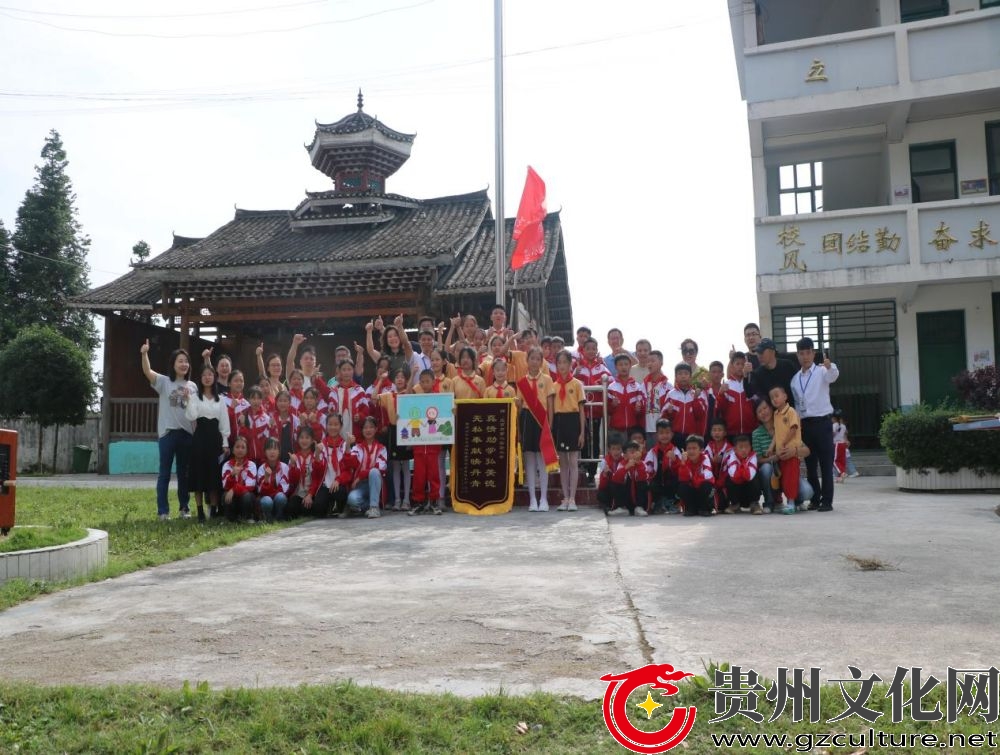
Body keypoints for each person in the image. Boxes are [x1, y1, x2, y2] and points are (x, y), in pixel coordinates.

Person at [140, 339, 197, 521]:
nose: (184, 364)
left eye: (186, 361)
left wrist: (189, 401)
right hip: (168, 434)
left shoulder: (193, 386)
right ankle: (163, 511)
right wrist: (144, 353)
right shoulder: (164, 382)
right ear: (173, 364)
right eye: (180, 361)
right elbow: (147, 372)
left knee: (184, 474)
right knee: (164, 473)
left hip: (186, 435)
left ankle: (184, 508)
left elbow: (195, 412)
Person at [790, 337, 839, 511]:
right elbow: (796, 404)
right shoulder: (795, 380)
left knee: (825, 463)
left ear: (813, 353)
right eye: (801, 353)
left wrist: (829, 365)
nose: (805, 357)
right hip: (806, 425)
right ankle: (815, 499)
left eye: (808, 353)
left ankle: (827, 501)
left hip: (823, 423)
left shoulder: (821, 371)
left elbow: (833, 376)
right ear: (797, 355)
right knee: (810, 464)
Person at [185, 364, 231, 522]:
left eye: (210, 375)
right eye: (204, 375)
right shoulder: (195, 397)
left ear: (214, 378)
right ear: (201, 378)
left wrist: (225, 442)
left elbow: (224, 423)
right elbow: (191, 416)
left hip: (215, 440)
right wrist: (187, 400)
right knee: (198, 475)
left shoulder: (221, 400)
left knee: (213, 476)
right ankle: (199, 512)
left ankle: (213, 509)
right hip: (199, 439)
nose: (207, 377)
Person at [752, 400, 813, 514]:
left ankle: (796, 501)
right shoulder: (756, 434)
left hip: (789, 470)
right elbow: (758, 459)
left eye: (765, 408)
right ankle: (770, 502)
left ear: (771, 408)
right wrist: (773, 458)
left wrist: (794, 451)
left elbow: (807, 451)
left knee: (807, 491)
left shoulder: (785, 427)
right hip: (772, 473)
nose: (763, 412)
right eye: (759, 411)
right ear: (757, 416)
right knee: (765, 468)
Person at [516, 346, 557, 511]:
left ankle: (544, 498)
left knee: (542, 461)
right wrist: (519, 430)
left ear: (542, 362)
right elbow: (519, 408)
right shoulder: (521, 382)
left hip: (542, 421)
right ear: (527, 361)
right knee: (530, 461)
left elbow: (550, 405)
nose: (534, 362)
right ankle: (533, 499)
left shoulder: (547, 379)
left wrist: (551, 426)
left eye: (537, 359)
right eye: (531, 358)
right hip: (527, 419)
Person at [551, 350, 586, 511]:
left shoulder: (577, 384)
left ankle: (573, 498)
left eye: (565, 362)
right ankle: (565, 497)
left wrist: (582, 432)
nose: (562, 366)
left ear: (571, 363)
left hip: (573, 422)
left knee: (573, 462)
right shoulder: (554, 386)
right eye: (559, 363)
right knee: (563, 463)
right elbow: (551, 410)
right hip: (560, 422)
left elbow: (581, 410)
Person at [574, 336, 613, 481]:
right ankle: (583, 465)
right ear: (582, 350)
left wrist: (601, 381)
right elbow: (570, 380)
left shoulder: (601, 367)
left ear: (597, 350)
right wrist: (575, 374)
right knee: (583, 439)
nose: (590, 351)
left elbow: (611, 379)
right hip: (581, 411)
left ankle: (592, 471)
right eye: (587, 349)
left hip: (596, 412)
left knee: (595, 439)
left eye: (593, 349)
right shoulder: (578, 367)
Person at [409, 370, 446, 516]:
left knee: (434, 475)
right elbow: (408, 416)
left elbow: (444, 417)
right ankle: (418, 502)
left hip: (433, 445)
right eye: (422, 381)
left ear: (433, 382)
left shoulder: (439, 400)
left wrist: (450, 411)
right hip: (419, 446)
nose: (425, 384)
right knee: (419, 475)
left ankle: (435, 502)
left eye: (427, 381)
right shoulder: (416, 401)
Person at [379, 367, 413, 511]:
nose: (399, 379)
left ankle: (406, 500)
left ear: (406, 380)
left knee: (405, 466)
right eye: (397, 377)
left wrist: (415, 373)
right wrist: (381, 380)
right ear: (393, 380)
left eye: (402, 377)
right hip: (393, 431)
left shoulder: (409, 394)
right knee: (394, 466)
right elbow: (374, 397)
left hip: (406, 429)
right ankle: (397, 500)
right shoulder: (388, 395)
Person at [767, 385, 802, 514]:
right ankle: (791, 502)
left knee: (791, 478)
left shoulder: (791, 411)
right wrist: (771, 447)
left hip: (791, 452)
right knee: (783, 478)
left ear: (785, 397)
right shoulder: (776, 414)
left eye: (777, 396)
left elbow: (793, 429)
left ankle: (792, 504)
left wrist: (785, 443)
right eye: (772, 398)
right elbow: (777, 433)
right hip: (781, 453)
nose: (774, 399)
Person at [346, 417, 387, 519]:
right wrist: (348, 446)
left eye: (371, 427)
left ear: (376, 429)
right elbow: (352, 464)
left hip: (375, 483)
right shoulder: (357, 447)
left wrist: (360, 476)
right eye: (365, 428)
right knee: (352, 499)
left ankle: (374, 508)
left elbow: (381, 468)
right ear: (362, 430)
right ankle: (370, 505)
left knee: (374, 471)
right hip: (360, 485)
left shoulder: (382, 448)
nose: (368, 430)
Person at [287, 425, 328, 518]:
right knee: (291, 508)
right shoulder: (294, 457)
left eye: (307, 438)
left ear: (312, 440)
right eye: (301, 437)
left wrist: (310, 495)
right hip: (298, 493)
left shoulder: (316, 456)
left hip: (312, 493)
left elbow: (318, 478)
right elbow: (292, 481)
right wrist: (293, 465)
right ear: (297, 440)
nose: (304, 440)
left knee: (312, 508)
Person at [663, 363, 707, 448]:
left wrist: (695, 399)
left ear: (690, 377)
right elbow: (664, 418)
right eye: (680, 374)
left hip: (692, 438)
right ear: (675, 377)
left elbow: (701, 416)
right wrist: (669, 412)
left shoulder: (697, 393)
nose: (683, 376)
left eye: (686, 373)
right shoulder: (671, 394)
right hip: (675, 436)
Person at [327, 359, 369, 444]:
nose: (346, 372)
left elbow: (366, 411)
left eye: (349, 369)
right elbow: (330, 413)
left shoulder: (359, 391)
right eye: (344, 369)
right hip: (337, 436)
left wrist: (360, 416)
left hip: (355, 435)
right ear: (339, 371)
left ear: (353, 371)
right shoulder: (334, 392)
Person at [718, 352, 757, 441]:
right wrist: (720, 395)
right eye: (737, 364)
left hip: (751, 431)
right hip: (731, 433)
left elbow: (756, 406)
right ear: (732, 366)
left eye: (743, 364)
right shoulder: (726, 385)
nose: (740, 367)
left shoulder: (751, 382)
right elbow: (721, 409)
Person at [318, 413, 352, 518]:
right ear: (326, 426)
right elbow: (317, 471)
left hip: (340, 484)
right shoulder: (321, 445)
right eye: (330, 424)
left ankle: (343, 505)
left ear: (341, 426)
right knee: (318, 508)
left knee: (340, 492)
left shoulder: (345, 444)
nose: (333, 427)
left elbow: (348, 470)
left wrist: (338, 480)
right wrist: (316, 455)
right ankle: (330, 504)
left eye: (336, 424)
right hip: (325, 484)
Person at [645, 419, 681, 514]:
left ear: (672, 434)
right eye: (661, 433)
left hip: (670, 483)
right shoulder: (652, 452)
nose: (664, 436)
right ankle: (657, 502)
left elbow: (681, 471)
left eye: (667, 433)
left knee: (679, 481)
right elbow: (647, 470)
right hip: (657, 483)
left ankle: (672, 503)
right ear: (656, 435)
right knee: (649, 483)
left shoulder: (676, 451)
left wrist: (675, 461)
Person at [606, 440, 649, 517]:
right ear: (625, 455)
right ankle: (622, 508)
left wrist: (638, 465)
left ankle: (639, 508)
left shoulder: (642, 464)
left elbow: (644, 477)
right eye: (630, 451)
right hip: (626, 498)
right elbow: (615, 479)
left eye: (635, 451)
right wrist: (626, 467)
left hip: (638, 498)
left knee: (643, 482)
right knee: (614, 483)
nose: (634, 453)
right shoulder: (622, 463)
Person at [607, 353, 645, 439]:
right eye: (620, 365)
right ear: (616, 367)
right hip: (616, 430)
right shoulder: (611, 387)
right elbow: (608, 411)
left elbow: (641, 411)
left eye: (626, 364)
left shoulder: (637, 387)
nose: (623, 367)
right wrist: (612, 405)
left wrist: (638, 409)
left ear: (630, 366)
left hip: (633, 430)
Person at [750, 338, 797, 407]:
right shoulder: (757, 374)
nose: (759, 355)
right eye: (757, 352)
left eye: (761, 352)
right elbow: (752, 395)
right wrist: (746, 377)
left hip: (793, 413)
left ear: (772, 352)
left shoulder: (788, 366)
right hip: (773, 416)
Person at [676, 435, 714, 517]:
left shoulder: (705, 458)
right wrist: (683, 464)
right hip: (693, 489)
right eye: (689, 448)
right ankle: (690, 509)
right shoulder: (684, 459)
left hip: (701, 490)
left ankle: (705, 508)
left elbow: (707, 477)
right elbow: (682, 478)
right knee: (682, 486)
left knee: (707, 485)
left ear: (701, 450)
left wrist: (692, 480)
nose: (691, 451)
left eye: (694, 448)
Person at [221, 436, 257, 522]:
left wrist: (233, 489)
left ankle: (247, 517)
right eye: (237, 447)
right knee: (225, 495)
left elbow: (250, 486)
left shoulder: (251, 465)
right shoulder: (227, 465)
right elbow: (225, 486)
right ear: (232, 450)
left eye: (243, 447)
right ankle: (232, 519)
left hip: (245, 497)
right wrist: (232, 475)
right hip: (232, 497)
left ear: (246, 450)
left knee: (248, 496)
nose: (240, 450)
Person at [724, 435, 762, 515]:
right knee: (729, 479)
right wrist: (744, 467)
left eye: (746, 447)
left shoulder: (753, 456)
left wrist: (741, 467)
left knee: (755, 477)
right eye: (740, 447)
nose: (744, 450)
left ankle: (754, 504)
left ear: (750, 448)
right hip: (738, 492)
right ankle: (735, 504)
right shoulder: (731, 456)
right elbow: (733, 475)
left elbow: (750, 476)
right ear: (735, 449)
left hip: (750, 492)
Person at [641, 350, 672, 447]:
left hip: (662, 431)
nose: (649, 364)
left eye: (653, 361)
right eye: (648, 361)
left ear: (661, 363)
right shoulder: (643, 385)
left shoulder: (668, 386)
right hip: (647, 429)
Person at [256, 438, 289, 522]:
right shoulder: (261, 468)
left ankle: (279, 516)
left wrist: (273, 494)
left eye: (275, 449)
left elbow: (284, 489)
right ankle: (268, 517)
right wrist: (266, 478)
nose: (272, 452)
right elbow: (261, 491)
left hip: (278, 499)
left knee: (281, 497)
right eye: (269, 449)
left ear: (279, 452)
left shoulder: (284, 467)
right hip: (266, 499)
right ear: (265, 452)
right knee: (267, 501)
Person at [239, 387, 274, 464]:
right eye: (253, 398)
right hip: (247, 459)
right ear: (248, 399)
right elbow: (241, 438)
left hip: (262, 459)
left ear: (262, 400)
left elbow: (268, 440)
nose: (256, 401)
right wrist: (242, 425)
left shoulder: (266, 418)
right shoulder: (244, 416)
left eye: (259, 398)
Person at [706, 418, 733, 508]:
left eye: (720, 430)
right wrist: (712, 461)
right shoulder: (709, 446)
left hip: (723, 482)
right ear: (710, 433)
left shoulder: (729, 448)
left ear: (725, 433)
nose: (717, 433)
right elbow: (704, 463)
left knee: (722, 505)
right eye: (714, 430)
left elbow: (730, 468)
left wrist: (722, 461)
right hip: (711, 481)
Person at [271, 390, 299, 464]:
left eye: (285, 401)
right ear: (276, 402)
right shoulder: (271, 419)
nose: (282, 403)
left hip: (291, 457)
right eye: (280, 401)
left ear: (289, 403)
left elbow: (297, 439)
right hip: (276, 457)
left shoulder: (295, 420)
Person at [832, 410, 859, 480]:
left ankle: (842, 472)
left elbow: (833, 434)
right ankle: (841, 475)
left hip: (836, 444)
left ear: (834, 418)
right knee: (842, 460)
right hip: (842, 444)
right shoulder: (843, 426)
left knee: (834, 461)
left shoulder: (834, 425)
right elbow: (845, 433)